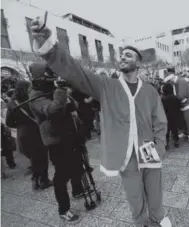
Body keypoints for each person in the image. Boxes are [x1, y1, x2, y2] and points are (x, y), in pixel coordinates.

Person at [30, 18, 171, 227]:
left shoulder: (149, 90)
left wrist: (159, 147)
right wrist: (49, 45)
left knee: (154, 188)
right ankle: (141, 223)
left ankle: (157, 218)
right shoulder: (107, 86)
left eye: (128, 55)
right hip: (126, 153)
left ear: (138, 63)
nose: (123, 56)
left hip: (149, 148)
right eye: (122, 54)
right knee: (134, 195)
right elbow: (76, 71)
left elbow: (160, 121)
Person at [28, 62, 85, 223]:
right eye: (48, 77)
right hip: (55, 140)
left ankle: (77, 190)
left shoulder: (51, 89)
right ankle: (63, 209)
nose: (51, 80)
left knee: (76, 165)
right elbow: (52, 110)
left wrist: (66, 92)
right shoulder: (35, 96)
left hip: (69, 135)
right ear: (39, 78)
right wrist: (60, 91)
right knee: (61, 175)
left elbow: (74, 105)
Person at [6, 80, 52, 190]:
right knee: (43, 157)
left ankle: (35, 180)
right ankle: (44, 180)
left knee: (34, 159)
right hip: (36, 131)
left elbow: (9, 123)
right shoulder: (32, 100)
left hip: (23, 134)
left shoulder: (12, 103)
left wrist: (20, 124)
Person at [164, 67, 189, 143]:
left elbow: (181, 95)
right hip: (183, 104)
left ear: (171, 79)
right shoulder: (175, 83)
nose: (169, 83)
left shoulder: (181, 82)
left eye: (169, 81)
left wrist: (173, 100)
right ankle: (185, 132)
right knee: (183, 119)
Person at [161, 83, 180, 150]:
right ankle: (176, 141)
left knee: (167, 131)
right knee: (174, 130)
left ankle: (166, 143)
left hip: (166, 116)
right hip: (174, 116)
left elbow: (162, 108)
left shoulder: (163, 98)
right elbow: (179, 107)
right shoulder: (176, 98)